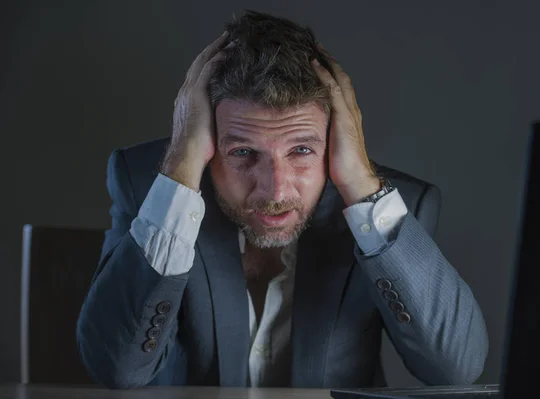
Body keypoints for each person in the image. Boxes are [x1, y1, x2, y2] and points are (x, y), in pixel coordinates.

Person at [76, 10, 488, 389]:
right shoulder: (150, 184)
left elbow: (455, 369)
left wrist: (363, 186)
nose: (275, 191)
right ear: (205, 141)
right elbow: (117, 368)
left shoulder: (400, 204)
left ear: (335, 140)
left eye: (301, 151)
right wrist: (181, 173)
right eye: (242, 153)